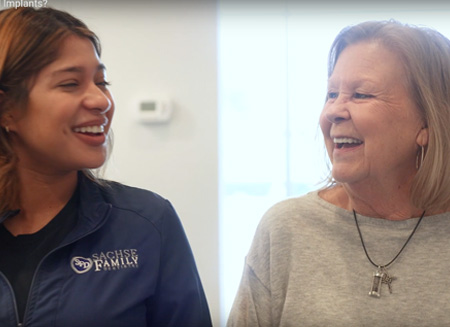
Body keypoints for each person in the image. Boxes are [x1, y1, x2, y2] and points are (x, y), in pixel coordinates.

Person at [227, 19, 450, 326]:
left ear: (426, 123)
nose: (333, 111)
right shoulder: (286, 229)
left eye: (361, 95)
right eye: (332, 94)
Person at [0, 7, 212, 327]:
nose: (101, 101)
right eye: (70, 83)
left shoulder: (148, 223)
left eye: (102, 81)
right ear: (7, 110)